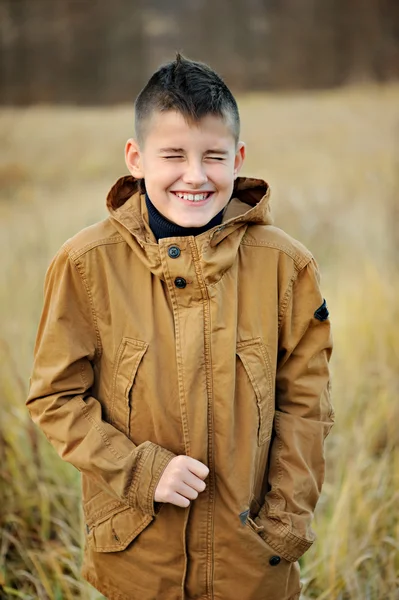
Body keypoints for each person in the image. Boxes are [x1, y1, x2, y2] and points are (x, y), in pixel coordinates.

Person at [26, 53, 334, 600]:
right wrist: (140, 471)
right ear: (136, 157)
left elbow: (305, 406)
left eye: (213, 156)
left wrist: (284, 524)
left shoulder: (287, 266)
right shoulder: (84, 264)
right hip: (138, 562)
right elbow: (55, 398)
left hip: (252, 562)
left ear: (238, 157)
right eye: (173, 155)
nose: (195, 175)